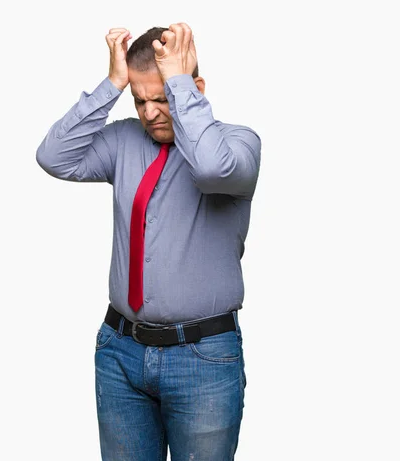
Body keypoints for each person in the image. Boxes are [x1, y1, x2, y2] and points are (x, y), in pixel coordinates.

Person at [35, 23, 261, 461]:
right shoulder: (124, 141)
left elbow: (213, 170)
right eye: (141, 100)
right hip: (120, 352)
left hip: (203, 360)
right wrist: (113, 84)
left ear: (195, 89)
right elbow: (53, 156)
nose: (151, 112)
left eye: (164, 99)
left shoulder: (238, 143)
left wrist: (179, 83)